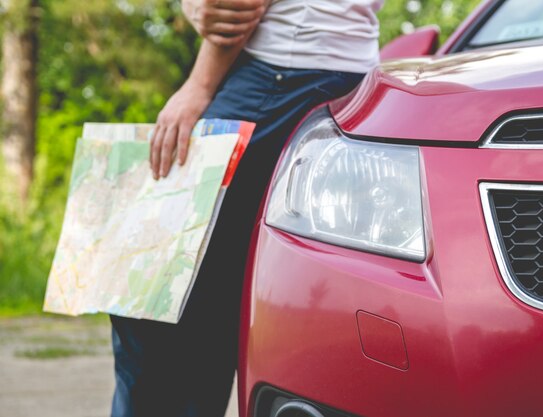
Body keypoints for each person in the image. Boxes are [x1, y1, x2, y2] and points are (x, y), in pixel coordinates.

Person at [110, 0, 384, 416]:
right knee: (216, 298)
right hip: (350, 78)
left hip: (277, 74)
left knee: (148, 293)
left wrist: (198, 87)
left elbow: (237, 8)